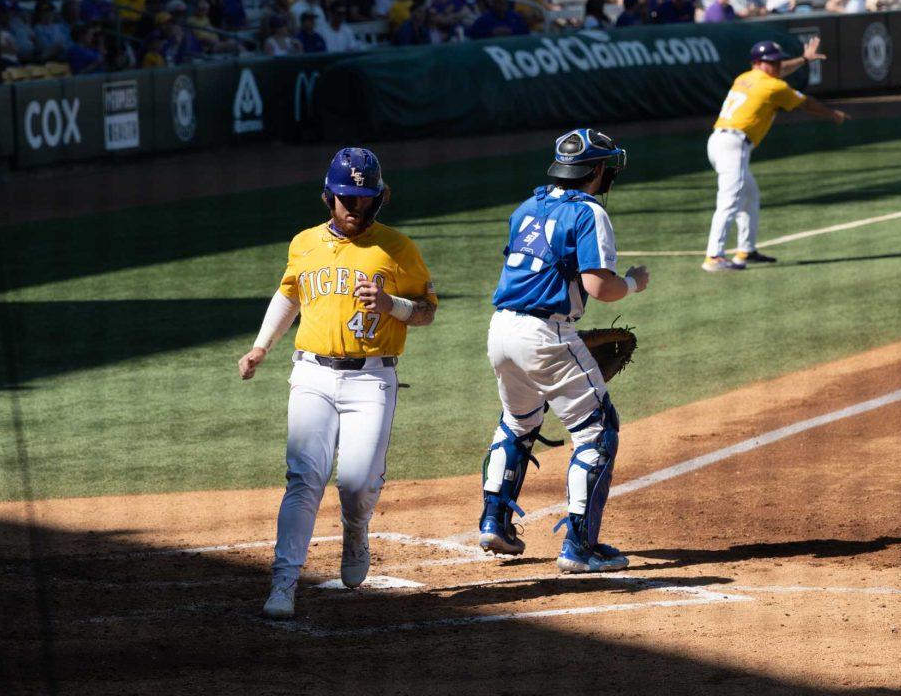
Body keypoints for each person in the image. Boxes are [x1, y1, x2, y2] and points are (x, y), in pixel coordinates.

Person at [239, 148, 438, 619]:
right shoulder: (304, 243)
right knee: (303, 479)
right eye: (346, 198)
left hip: (372, 379)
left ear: (378, 199)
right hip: (310, 374)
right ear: (328, 197)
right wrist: (261, 347)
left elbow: (428, 310)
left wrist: (393, 306)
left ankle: (356, 526)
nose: (355, 208)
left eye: (364, 199)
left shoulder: (398, 248)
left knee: (355, 482)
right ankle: (284, 583)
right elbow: (289, 295)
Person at [477, 129, 647, 574]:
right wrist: (632, 283)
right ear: (595, 171)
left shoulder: (526, 206)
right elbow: (598, 286)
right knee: (597, 430)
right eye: (606, 168)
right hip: (545, 334)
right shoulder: (589, 212)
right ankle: (580, 547)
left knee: (518, 421)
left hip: (501, 331)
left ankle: (494, 521)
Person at [703, 39, 849, 272]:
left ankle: (746, 250)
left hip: (719, 141)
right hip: (733, 145)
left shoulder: (745, 77)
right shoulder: (774, 87)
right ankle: (714, 257)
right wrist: (832, 114)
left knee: (749, 195)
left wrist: (803, 60)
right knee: (729, 201)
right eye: (772, 62)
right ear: (758, 63)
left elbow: (779, 71)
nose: (777, 65)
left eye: (778, 61)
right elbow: (807, 103)